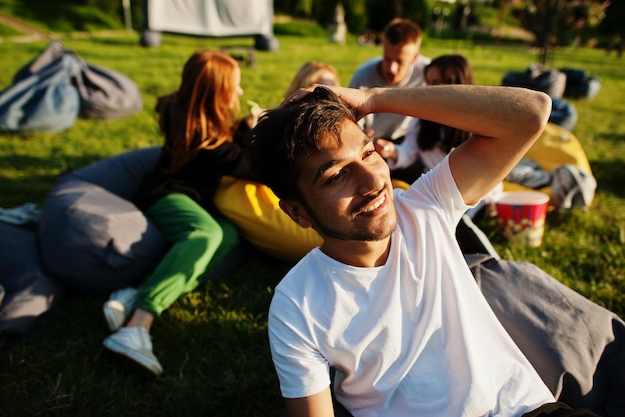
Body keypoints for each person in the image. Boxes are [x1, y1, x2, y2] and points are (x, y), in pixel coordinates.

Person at [245, 84, 600, 417]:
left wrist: (372, 98)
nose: (372, 182)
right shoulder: (297, 304)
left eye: (368, 153)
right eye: (337, 175)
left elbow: (532, 113)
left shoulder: (426, 207)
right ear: (297, 212)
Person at [101, 50, 259, 377]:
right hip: (164, 196)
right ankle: (138, 325)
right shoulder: (207, 141)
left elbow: (229, 151)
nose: (240, 93)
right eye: (236, 86)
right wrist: (254, 133)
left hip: (184, 194)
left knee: (228, 235)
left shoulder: (192, 119)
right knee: (207, 234)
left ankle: (138, 292)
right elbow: (249, 167)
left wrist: (242, 129)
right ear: (217, 93)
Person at [375, 54, 502, 219]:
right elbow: (410, 150)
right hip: (442, 191)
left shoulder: (479, 118)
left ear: (455, 83)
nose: (430, 89)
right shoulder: (422, 118)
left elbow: (489, 164)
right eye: (428, 82)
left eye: (436, 82)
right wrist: (392, 151)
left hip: (476, 190)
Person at [348, 17, 430, 141]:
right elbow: (351, 120)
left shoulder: (428, 73)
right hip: (371, 141)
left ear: (414, 58)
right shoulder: (363, 76)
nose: (391, 68)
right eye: (387, 58)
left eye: (399, 61)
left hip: (411, 142)